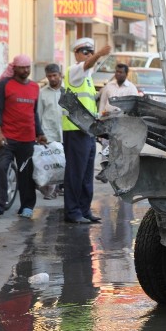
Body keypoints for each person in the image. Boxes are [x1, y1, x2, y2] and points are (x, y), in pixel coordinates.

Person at [0, 54, 47, 219]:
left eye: (28, 67)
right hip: (7, 138)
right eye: (22, 67)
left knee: (26, 174)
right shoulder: (5, 84)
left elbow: (34, 114)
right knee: (1, 168)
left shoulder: (35, 87)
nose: (26, 70)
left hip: (27, 140)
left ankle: (27, 206)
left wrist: (39, 133)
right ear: (15, 68)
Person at [62, 37, 111, 224]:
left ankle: (84, 209)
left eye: (91, 52)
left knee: (86, 175)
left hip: (87, 131)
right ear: (76, 54)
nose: (89, 55)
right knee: (75, 173)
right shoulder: (74, 71)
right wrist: (99, 54)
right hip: (75, 130)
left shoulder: (88, 77)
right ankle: (72, 211)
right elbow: (85, 65)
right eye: (85, 52)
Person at [95, 63, 140, 182]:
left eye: (121, 72)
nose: (118, 74)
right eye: (117, 72)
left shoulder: (131, 88)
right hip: (108, 120)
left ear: (126, 74)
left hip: (123, 122)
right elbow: (103, 104)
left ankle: (118, 172)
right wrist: (100, 120)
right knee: (106, 146)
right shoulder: (109, 86)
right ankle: (106, 170)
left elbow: (134, 108)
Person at [37, 63, 64, 199]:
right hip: (49, 133)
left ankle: (60, 187)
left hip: (65, 132)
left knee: (63, 162)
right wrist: (39, 134)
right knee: (51, 162)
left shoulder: (67, 90)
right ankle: (50, 191)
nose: (52, 79)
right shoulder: (42, 93)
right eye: (49, 76)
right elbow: (39, 114)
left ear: (60, 75)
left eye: (54, 75)